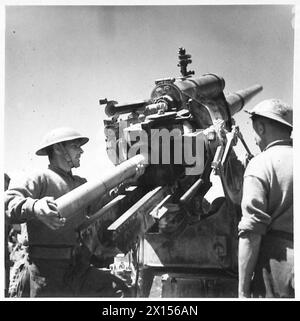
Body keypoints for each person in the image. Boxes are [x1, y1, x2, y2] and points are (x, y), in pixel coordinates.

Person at [5, 127, 131, 297]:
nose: (81, 150)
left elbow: (102, 205)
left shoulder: (80, 183)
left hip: (78, 267)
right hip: (46, 271)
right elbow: (8, 202)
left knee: (118, 290)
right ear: (58, 149)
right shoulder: (39, 177)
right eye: (75, 146)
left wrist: (125, 182)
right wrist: (34, 206)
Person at [238, 99, 293, 298]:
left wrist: (243, 291)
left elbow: (251, 231)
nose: (254, 139)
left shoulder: (260, 164)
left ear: (260, 128)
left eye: (254, 132)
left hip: (277, 267)